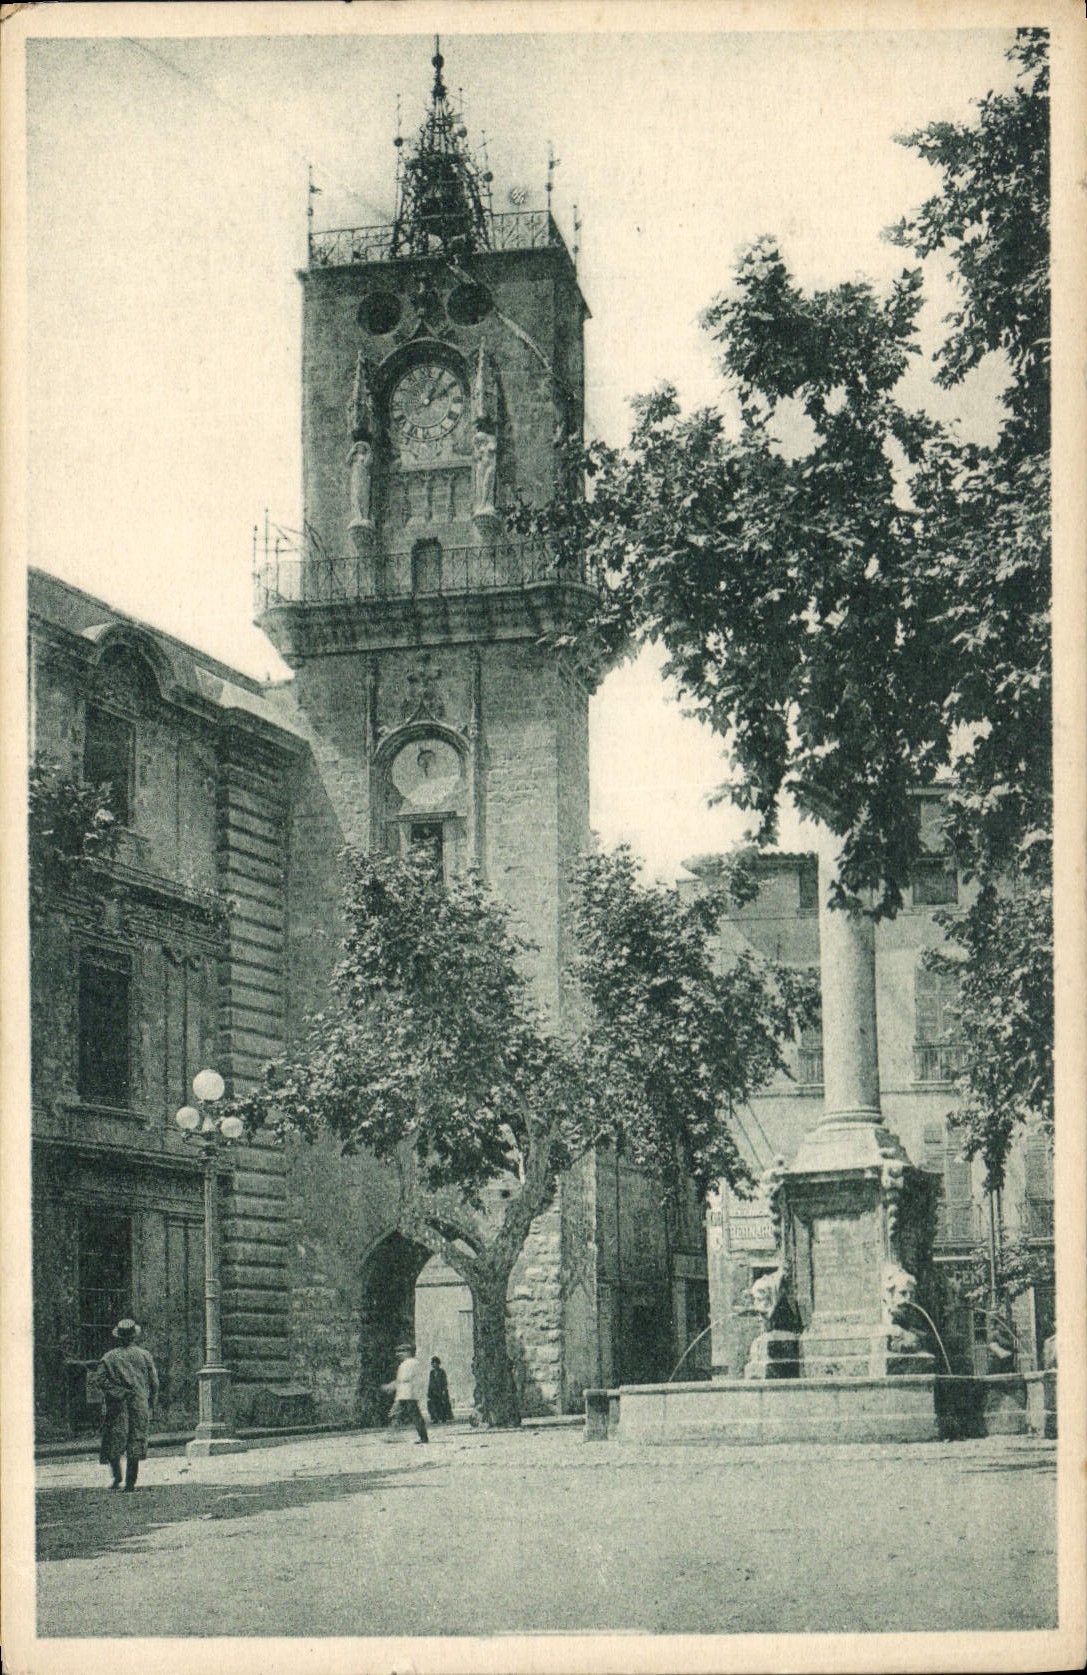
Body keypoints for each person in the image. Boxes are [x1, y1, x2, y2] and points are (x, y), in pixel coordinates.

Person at [94, 1318, 159, 1491]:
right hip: (139, 1403)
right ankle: (130, 1483)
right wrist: (151, 1403)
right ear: (134, 1337)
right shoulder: (144, 1355)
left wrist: (118, 1392)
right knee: (135, 1441)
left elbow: (99, 1380)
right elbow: (154, 1383)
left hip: (117, 1405)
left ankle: (116, 1478)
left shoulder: (109, 1357)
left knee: (114, 1440)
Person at [381, 1341, 429, 1443]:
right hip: (407, 1394)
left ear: (408, 1352)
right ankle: (392, 1435)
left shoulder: (409, 1363)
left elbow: (403, 1379)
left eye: (401, 1351)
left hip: (407, 1394)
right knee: (405, 1415)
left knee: (399, 1414)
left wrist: (390, 1386)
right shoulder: (413, 1363)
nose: (398, 1354)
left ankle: (391, 1436)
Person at [427, 1355, 453, 1424]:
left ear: (438, 1363)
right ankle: (435, 1418)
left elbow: (444, 1382)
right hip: (433, 1392)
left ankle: (443, 1417)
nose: (433, 1364)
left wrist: (444, 1390)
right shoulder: (431, 1373)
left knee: (442, 1404)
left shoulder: (442, 1372)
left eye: (435, 1363)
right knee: (433, 1405)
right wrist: (429, 1392)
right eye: (432, 1363)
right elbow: (430, 1382)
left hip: (441, 1391)